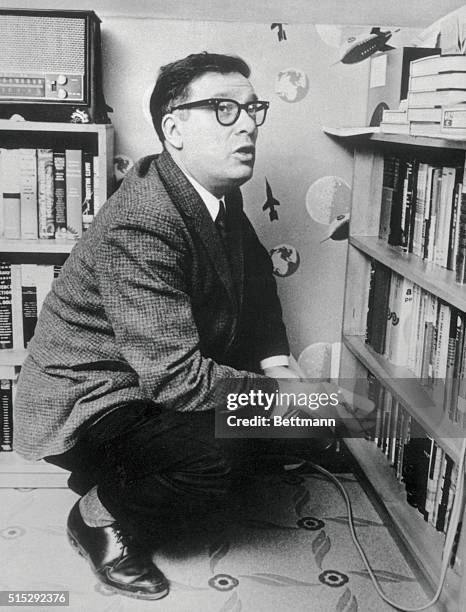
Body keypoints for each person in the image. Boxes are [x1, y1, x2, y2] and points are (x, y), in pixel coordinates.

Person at [13, 52, 308, 601]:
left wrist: (274, 363)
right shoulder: (143, 218)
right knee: (217, 455)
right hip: (89, 399)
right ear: (173, 128)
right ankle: (97, 514)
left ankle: (135, 471)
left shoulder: (215, 189)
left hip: (146, 376)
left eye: (251, 109)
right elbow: (177, 380)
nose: (246, 123)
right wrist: (292, 401)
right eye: (223, 109)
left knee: (261, 427)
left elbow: (255, 275)